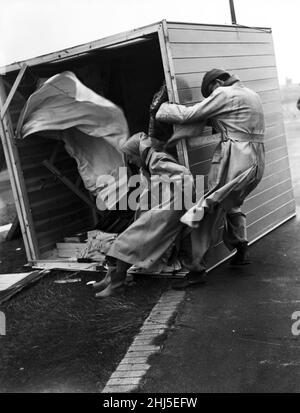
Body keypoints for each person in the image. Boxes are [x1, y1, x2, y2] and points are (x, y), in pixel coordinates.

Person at [155, 69, 265, 289]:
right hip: (256, 160)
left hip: (237, 159)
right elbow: (224, 122)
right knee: (231, 203)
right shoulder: (252, 94)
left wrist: (162, 109)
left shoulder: (224, 94)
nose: (212, 98)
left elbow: (188, 115)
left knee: (207, 210)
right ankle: (241, 247)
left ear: (217, 82)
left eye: (210, 92)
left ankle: (196, 271)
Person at [94, 131, 195, 298]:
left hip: (167, 212)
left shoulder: (157, 160)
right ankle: (112, 280)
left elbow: (184, 176)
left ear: (137, 152)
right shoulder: (148, 163)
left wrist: (177, 202)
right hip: (161, 210)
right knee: (125, 241)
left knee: (125, 243)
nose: (132, 161)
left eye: (131, 157)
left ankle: (117, 285)